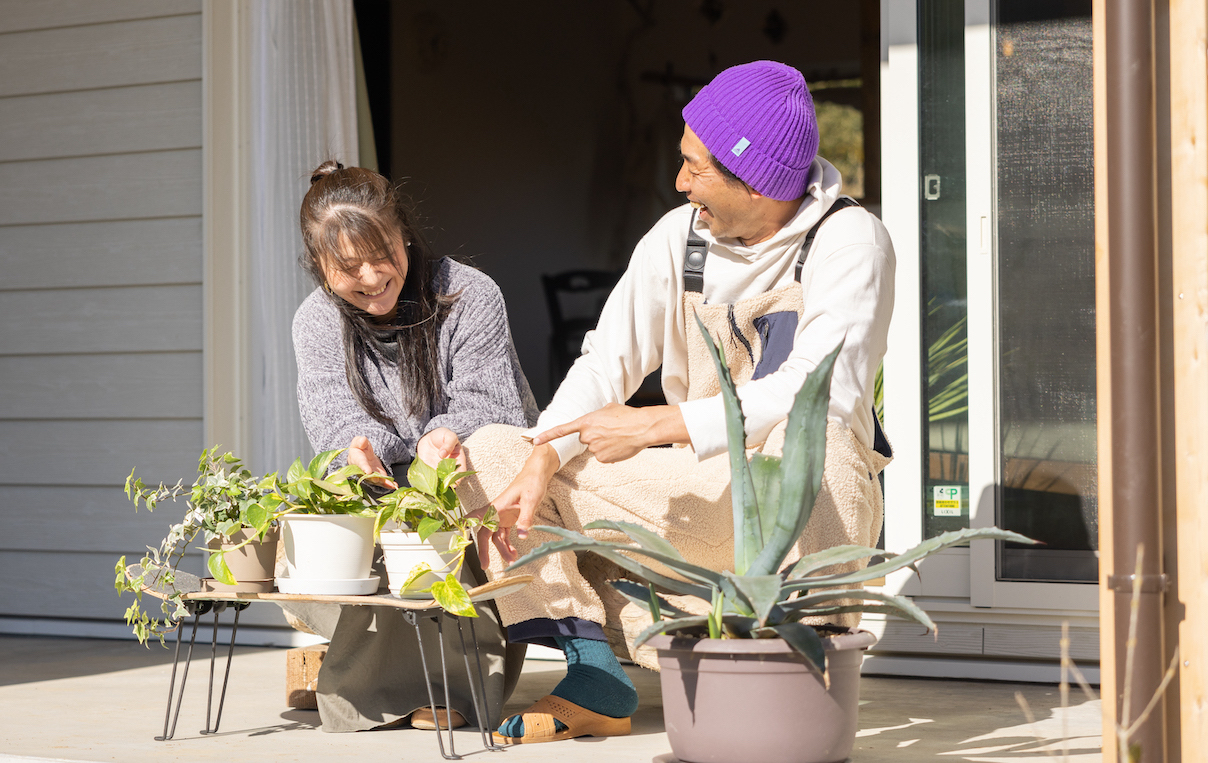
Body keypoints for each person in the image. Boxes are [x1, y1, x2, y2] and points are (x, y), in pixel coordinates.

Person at [455, 60, 896, 744]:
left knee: (825, 442)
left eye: (694, 165)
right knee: (492, 453)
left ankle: (795, 662)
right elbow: (606, 362)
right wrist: (542, 459)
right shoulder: (676, 236)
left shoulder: (848, 240)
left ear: (753, 180)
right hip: (692, 497)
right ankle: (593, 666)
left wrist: (659, 423)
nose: (680, 180)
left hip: (800, 504)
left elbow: (821, 394)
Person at [285, 160, 540, 733]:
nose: (373, 277)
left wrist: (442, 438)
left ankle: (446, 688)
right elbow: (334, 427)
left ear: (404, 233)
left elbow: (496, 408)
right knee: (345, 526)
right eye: (350, 267)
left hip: (465, 476)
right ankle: (368, 684)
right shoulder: (316, 321)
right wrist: (362, 451)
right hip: (386, 485)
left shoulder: (469, 293)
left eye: (384, 255)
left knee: (445, 534)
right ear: (320, 267)